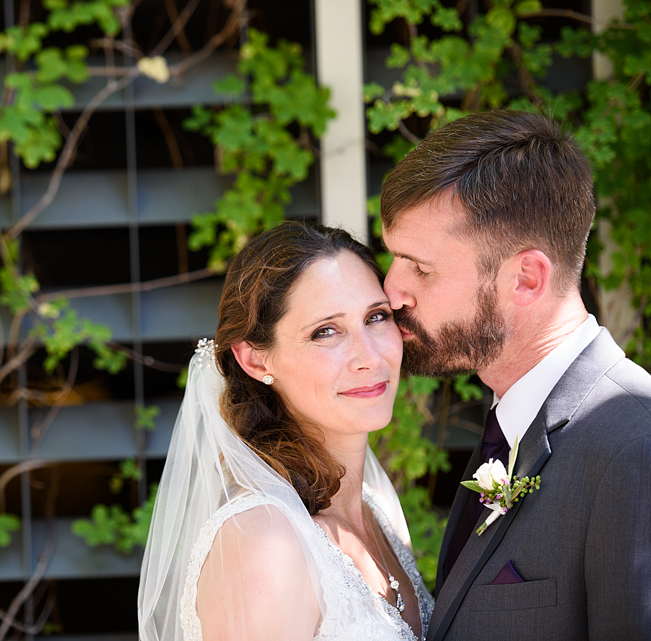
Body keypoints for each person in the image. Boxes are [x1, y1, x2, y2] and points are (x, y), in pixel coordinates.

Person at [380, 110, 651, 640]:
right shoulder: (510, 427)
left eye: (421, 268)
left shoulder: (635, 447)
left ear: (526, 278)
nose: (392, 292)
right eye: (395, 259)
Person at [138, 221, 434, 641]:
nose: (369, 357)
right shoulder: (264, 541)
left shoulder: (376, 509)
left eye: (376, 317)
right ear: (257, 361)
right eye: (325, 331)